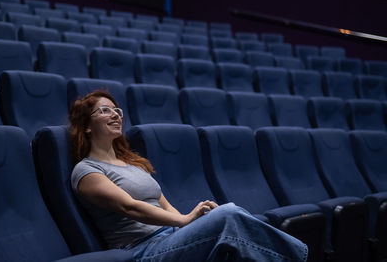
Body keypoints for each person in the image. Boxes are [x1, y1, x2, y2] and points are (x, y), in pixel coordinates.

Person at [69, 90, 308, 262]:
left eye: (117, 110)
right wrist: (185, 221)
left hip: (170, 238)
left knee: (231, 227)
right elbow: (129, 207)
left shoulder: (132, 164)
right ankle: (303, 256)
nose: (116, 115)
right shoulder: (87, 171)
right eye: (105, 110)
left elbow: (163, 204)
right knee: (229, 214)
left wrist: (191, 221)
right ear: (87, 126)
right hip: (143, 250)